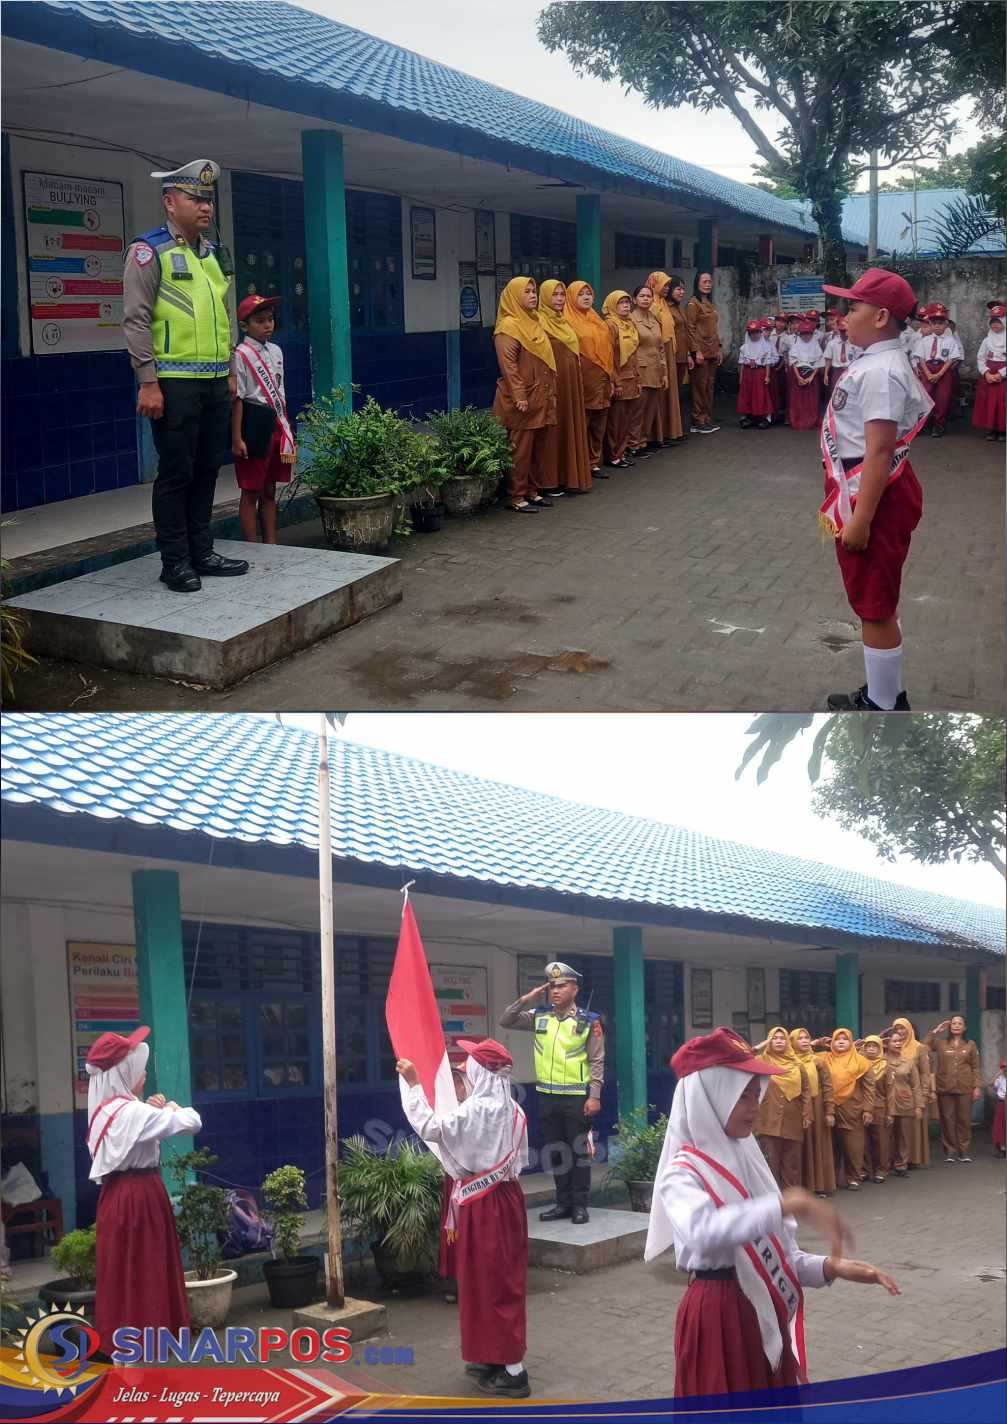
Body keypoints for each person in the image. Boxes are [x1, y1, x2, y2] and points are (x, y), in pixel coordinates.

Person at [645, 1027, 900, 1397]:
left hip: (763, 1311)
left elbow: (780, 1254)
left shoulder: (749, 1158)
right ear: (711, 1097)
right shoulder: (682, 1172)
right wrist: (785, 1203)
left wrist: (828, 1268)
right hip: (720, 1317)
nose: (755, 1106)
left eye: (756, 1094)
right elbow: (703, 1232)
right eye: (743, 1096)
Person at [122, 160, 248, 592]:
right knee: (176, 472)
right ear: (169, 202)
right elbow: (136, 321)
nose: (205, 207)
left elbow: (224, 315)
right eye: (196, 198)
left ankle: (202, 551)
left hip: (214, 381)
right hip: (171, 383)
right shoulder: (149, 251)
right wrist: (147, 381)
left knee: (208, 468)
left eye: (209, 199)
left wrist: (231, 371)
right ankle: (174, 561)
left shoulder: (212, 253)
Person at [818, 268, 932, 713]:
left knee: (875, 604)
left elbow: (881, 450)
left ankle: (884, 707)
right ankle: (883, 693)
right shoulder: (874, 360)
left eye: (854, 307)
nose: (844, 315)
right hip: (870, 489)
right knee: (874, 598)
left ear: (882, 315)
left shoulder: (881, 371)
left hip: (873, 497)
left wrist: (861, 519)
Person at [396, 1039, 530, 1399]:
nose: (466, 1066)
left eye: (470, 1062)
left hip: (483, 1206)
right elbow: (519, 1161)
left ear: (481, 1072)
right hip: (507, 1200)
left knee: (493, 1285)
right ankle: (489, 1356)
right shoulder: (514, 1110)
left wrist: (411, 1086)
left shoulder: (475, 1111)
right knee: (490, 1282)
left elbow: (429, 1127)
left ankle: (513, 1371)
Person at [85, 1026, 202, 1355]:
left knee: (121, 1279)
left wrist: (153, 1110)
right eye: (139, 1068)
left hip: (114, 1199)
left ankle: (123, 1365)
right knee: (144, 1277)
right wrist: (174, 1109)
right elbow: (193, 1122)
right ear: (124, 1072)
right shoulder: (135, 1113)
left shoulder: (103, 1111)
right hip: (142, 1197)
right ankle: (138, 1373)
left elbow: (139, 1124)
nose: (144, 1072)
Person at [499, 961, 603, 1225]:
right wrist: (526, 999)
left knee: (578, 1152)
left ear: (575, 989)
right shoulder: (539, 1015)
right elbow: (506, 1020)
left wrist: (595, 1095)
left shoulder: (589, 1021)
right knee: (557, 1152)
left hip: (577, 1098)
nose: (555, 991)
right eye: (552, 986)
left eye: (562, 985)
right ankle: (562, 1203)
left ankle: (580, 1205)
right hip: (546, 1096)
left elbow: (597, 1060)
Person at [231, 294, 296, 544]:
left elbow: (280, 390)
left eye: (271, 319)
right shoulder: (240, 355)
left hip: (277, 423)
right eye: (260, 321)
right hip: (253, 425)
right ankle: (251, 546)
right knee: (251, 490)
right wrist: (237, 438)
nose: (268, 325)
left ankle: (271, 544)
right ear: (245, 325)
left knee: (269, 489)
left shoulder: (276, 351)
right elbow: (237, 399)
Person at [492, 277, 558, 512]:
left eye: (534, 291)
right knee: (520, 450)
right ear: (514, 296)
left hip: (540, 395)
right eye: (527, 292)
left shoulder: (534, 320)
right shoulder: (508, 326)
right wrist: (520, 395)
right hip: (522, 399)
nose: (533, 295)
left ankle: (532, 490)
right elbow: (508, 365)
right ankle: (516, 497)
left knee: (538, 448)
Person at [536, 279, 592, 497]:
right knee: (553, 431)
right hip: (553, 383)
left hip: (570, 383)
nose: (559, 299)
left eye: (562, 295)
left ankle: (568, 476)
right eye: (554, 295)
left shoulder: (564, 321)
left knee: (568, 426)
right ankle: (549, 480)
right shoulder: (539, 320)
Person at [565, 281, 614, 478]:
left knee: (599, 422)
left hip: (601, 378)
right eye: (581, 294)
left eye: (589, 294)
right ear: (571, 297)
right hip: (583, 379)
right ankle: (581, 463)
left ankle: (594, 462)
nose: (586, 297)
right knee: (582, 422)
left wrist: (611, 378)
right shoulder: (566, 320)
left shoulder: (597, 320)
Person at [814, 1029, 873, 1190]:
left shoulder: (861, 1061)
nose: (840, 1042)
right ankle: (830, 1179)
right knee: (830, 1145)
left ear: (851, 1042)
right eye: (837, 1039)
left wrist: (868, 1109)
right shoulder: (823, 1058)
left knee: (853, 1146)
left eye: (845, 1039)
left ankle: (853, 1177)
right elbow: (801, 1055)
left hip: (853, 1109)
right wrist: (816, 1043)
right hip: (828, 1108)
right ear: (831, 1042)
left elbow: (869, 1088)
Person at [754, 1026, 811, 1188]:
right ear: (768, 1041)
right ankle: (773, 1199)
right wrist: (759, 1047)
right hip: (768, 1118)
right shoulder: (761, 1062)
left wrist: (807, 1115)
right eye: (774, 1038)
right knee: (770, 1162)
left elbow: (806, 1091)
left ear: (787, 1042)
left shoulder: (798, 1065)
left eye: (782, 1038)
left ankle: (791, 1200)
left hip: (792, 1118)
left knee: (791, 1163)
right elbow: (741, 1059)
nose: (779, 1041)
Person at [923, 1016, 982, 1163]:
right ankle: (950, 1150)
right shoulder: (941, 1043)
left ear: (964, 1027)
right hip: (945, 1087)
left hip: (965, 1087)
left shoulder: (970, 1045)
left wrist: (977, 1087)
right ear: (950, 1027)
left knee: (964, 1120)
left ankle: (963, 1151)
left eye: (959, 1023)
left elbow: (976, 1067)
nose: (956, 1026)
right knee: (947, 1119)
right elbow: (923, 1046)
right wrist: (935, 1031)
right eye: (954, 1023)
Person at [789, 1027, 836, 1198]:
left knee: (817, 1145)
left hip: (817, 1106)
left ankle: (819, 1185)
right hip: (797, 1106)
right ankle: (800, 1186)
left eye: (806, 1037)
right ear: (792, 1041)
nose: (803, 1040)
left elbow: (828, 1087)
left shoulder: (818, 1061)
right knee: (799, 1147)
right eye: (799, 1038)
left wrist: (830, 1111)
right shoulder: (788, 1061)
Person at [601, 290, 641, 469]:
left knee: (626, 419)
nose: (626, 306)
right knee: (615, 421)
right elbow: (608, 356)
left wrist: (638, 379)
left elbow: (634, 354)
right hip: (619, 379)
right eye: (621, 303)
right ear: (611, 305)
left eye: (627, 302)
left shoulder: (629, 323)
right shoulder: (610, 325)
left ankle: (621, 452)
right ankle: (613, 454)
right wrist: (614, 381)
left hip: (631, 377)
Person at [645, 271, 685, 445]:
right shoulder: (651, 304)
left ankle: (670, 432)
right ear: (655, 284)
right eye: (664, 285)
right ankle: (657, 435)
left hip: (669, 350)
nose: (667, 288)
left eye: (669, 285)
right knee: (659, 393)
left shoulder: (663, 304)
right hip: (658, 351)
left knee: (670, 393)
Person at [628, 285, 667, 456]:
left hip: (656, 368)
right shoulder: (630, 319)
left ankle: (643, 441)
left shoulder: (654, 319)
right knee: (638, 409)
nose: (645, 299)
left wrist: (664, 372)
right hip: (641, 369)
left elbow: (661, 347)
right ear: (634, 300)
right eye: (641, 296)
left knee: (651, 408)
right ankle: (632, 444)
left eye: (648, 296)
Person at [911, 302, 960, 437]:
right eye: (934, 323)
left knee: (942, 398)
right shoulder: (924, 341)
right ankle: (924, 423)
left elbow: (951, 359)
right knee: (926, 396)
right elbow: (920, 358)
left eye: (941, 323)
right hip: (927, 368)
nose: (937, 326)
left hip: (943, 370)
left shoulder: (950, 341)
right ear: (930, 325)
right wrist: (927, 373)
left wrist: (939, 374)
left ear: (945, 325)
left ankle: (939, 424)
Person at [889, 1017, 932, 1167]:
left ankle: (912, 1159)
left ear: (910, 1030)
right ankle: (896, 1161)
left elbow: (925, 1073)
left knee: (911, 1130)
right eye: (896, 1029)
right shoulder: (889, 1048)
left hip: (914, 1093)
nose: (900, 1032)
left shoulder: (919, 1047)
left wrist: (924, 1094)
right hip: (893, 1095)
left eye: (903, 1028)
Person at [884, 1024, 924, 1176]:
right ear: (886, 1043)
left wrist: (918, 1106)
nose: (898, 1043)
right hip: (885, 1103)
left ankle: (901, 1164)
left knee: (904, 1136)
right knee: (885, 1135)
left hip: (905, 1102)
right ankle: (885, 1164)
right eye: (894, 1041)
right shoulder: (880, 1060)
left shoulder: (908, 1062)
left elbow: (916, 1085)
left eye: (900, 1041)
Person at [685, 273, 722, 433]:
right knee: (700, 386)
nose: (708, 284)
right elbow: (690, 329)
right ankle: (697, 421)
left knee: (709, 386)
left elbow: (714, 328)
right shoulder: (693, 304)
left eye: (710, 281)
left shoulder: (709, 303)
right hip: (700, 351)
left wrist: (719, 347)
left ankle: (706, 418)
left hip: (712, 350)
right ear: (697, 283)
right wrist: (695, 351)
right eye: (704, 281)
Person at [860, 1035, 895, 1183]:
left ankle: (881, 1169)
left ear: (880, 1048)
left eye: (875, 1046)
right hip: (861, 1108)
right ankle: (866, 1170)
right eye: (868, 1046)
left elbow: (891, 1091)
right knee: (863, 1141)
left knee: (881, 1141)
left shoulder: (885, 1066)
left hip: (880, 1107)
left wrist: (890, 1112)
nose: (871, 1049)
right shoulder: (859, 1064)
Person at [972, 303, 1006, 441]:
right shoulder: (987, 341)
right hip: (989, 376)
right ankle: (991, 429)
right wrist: (986, 373)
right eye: (993, 323)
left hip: (1003, 376)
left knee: (1002, 403)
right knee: (989, 403)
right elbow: (980, 357)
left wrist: (1001, 374)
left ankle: (1003, 430)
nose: (995, 325)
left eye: (998, 322)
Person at [736, 321, 777, 430]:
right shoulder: (744, 347)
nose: (755, 335)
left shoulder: (766, 347)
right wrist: (740, 378)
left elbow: (767, 363)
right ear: (749, 334)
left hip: (760, 373)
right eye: (752, 333)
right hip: (748, 374)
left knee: (761, 395)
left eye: (757, 332)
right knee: (747, 395)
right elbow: (741, 365)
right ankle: (747, 417)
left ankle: (765, 418)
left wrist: (767, 376)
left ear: (760, 332)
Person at [668, 277, 696, 436]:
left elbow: (684, 333)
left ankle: (676, 429)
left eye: (683, 289)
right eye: (678, 288)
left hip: (681, 357)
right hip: (672, 356)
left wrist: (688, 355)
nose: (681, 292)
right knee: (672, 395)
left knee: (678, 394)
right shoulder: (666, 308)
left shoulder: (680, 309)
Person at [786, 320, 825, 429]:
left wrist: (811, 377)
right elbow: (793, 362)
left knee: (812, 400)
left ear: (812, 334)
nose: (806, 336)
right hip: (797, 374)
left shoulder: (815, 345)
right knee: (797, 399)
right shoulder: (796, 345)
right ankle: (797, 418)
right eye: (803, 333)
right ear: (800, 334)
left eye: (808, 333)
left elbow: (819, 362)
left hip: (812, 375)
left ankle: (811, 419)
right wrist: (798, 377)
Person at [822, 318, 860, 392]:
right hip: (837, 371)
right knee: (836, 391)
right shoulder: (832, 343)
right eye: (841, 331)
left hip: (850, 371)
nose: (844, 333)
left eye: (845, 331)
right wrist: (826, 374)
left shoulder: (855, 343)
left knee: (850, 392)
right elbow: (828, 359)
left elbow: (858, 359)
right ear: (839, 330)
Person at [989, 1060, 1006, 1158]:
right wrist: (999, 1073)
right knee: (1000, 1127)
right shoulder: (1000, 1079)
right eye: (1004, 1067)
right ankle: (1002, 1149)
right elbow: (990, 1084)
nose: (1006, 1069)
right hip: (1002, 1103)